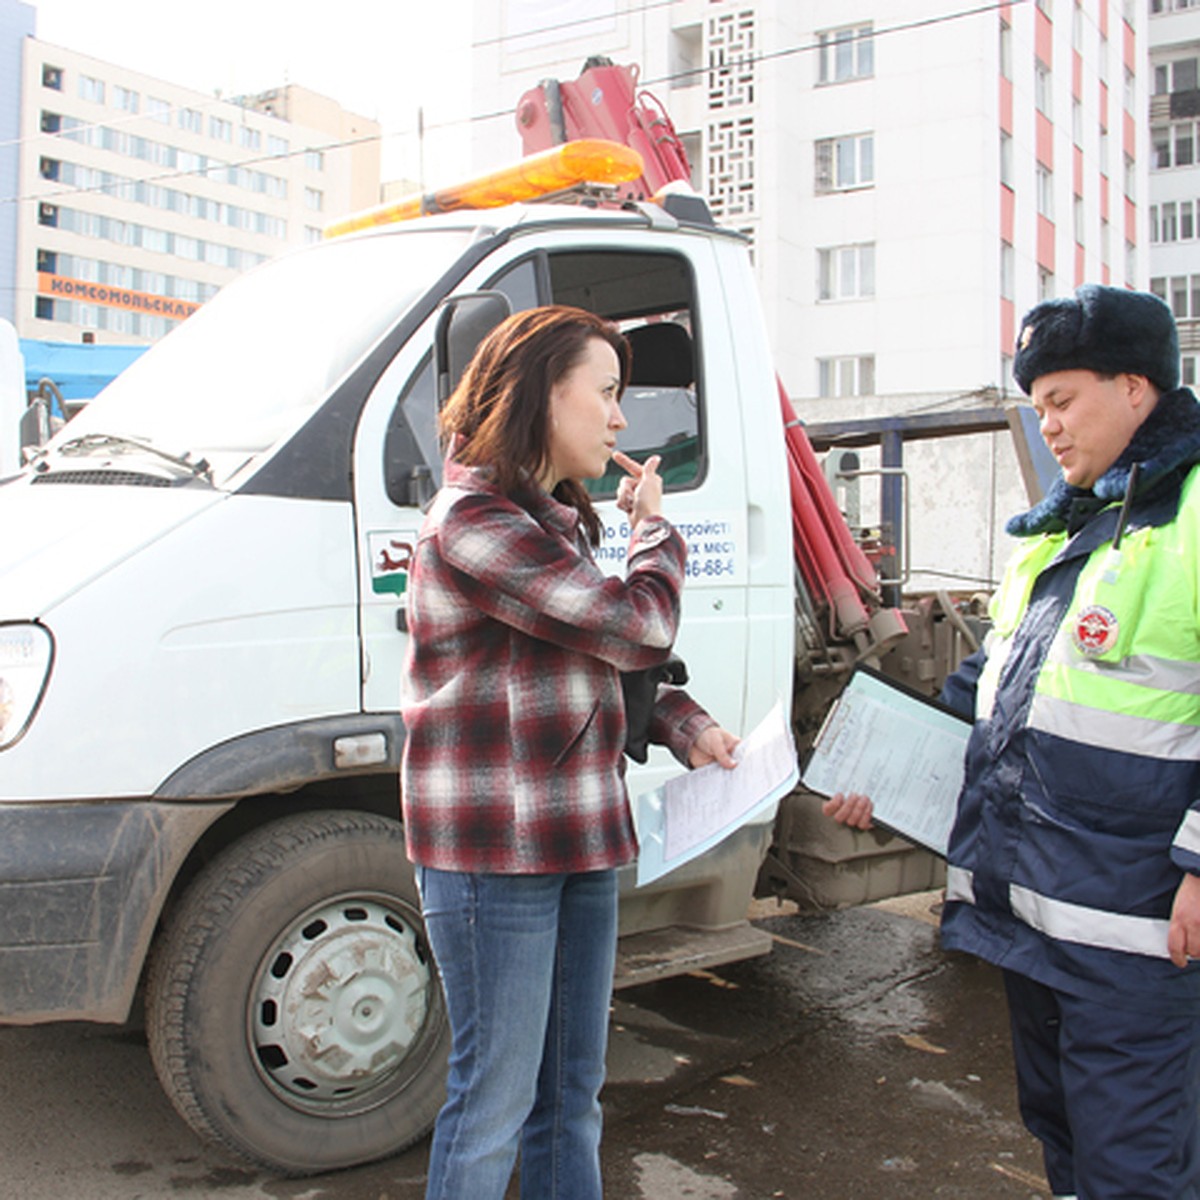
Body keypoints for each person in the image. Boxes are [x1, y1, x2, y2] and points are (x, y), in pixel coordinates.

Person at [826, 283, 1200, 1200]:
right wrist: (886, 771)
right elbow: (991, 691)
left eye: (1064, 402)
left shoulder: (1188, 520)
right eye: (1039, 411)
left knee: (1136, 1165)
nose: (1050, 430)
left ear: (1136, 387)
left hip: (1137, 930)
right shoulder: (1060, 535)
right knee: (1067, 1143)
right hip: (1033, 916)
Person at [399, 305, 738, 1200]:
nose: (621, 419)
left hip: (581, 837)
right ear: (542, 393)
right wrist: (657, 532)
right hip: (494, 855)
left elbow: (609, 669)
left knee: (570, 1099)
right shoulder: (471, 521)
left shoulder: (555, 521)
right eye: (607, 392)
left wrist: (689, 726)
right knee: (494, 1104)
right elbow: (639, 624)